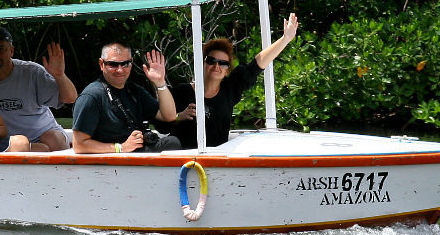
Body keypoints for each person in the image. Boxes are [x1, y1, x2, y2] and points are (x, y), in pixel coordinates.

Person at [163, 13, 300, 148]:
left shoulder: (230, 89)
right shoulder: (181, 91)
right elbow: (161, 123)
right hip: (182, 160)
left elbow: (257, 65)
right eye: (212, 61)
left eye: (223, 63)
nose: (217, 66)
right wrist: (179, 116)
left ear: (227, 69)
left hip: (217, 160)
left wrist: (285, 39)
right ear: (202, 63)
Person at [0, 27, 78, 152]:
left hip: (42, 134)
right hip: (8, 142)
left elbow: (70, 98)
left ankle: (66, 171)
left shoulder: (32, 72)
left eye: (1, 49)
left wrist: (59, 75)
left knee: (53, 139)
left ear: (11, 51)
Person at [71, 43, 181, 153]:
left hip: (136, 155)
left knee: (177, 139)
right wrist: (121, 147)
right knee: (171, 144)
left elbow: (169, 116)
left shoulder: (134, 90)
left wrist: (160, 82)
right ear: (101, 64)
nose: (120, 70)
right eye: (113, 64)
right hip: (115, 162)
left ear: (131, 62)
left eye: (125, 64)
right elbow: (79, 145)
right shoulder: (91, 96)